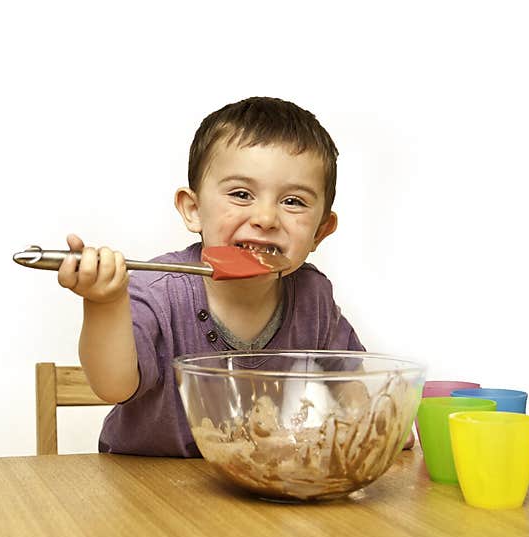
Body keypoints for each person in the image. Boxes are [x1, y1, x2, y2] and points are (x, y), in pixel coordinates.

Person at [56, 96, 409, 456]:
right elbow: (112, 386)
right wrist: (104, 303)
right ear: (194, 210)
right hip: (143, 492)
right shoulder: (158, 291)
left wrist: (376, 424)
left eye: (294, 202)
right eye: (241, 194)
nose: (266, 217)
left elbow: (351, 391)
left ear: (320, 231)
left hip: (255, 490)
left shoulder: (312, 296)